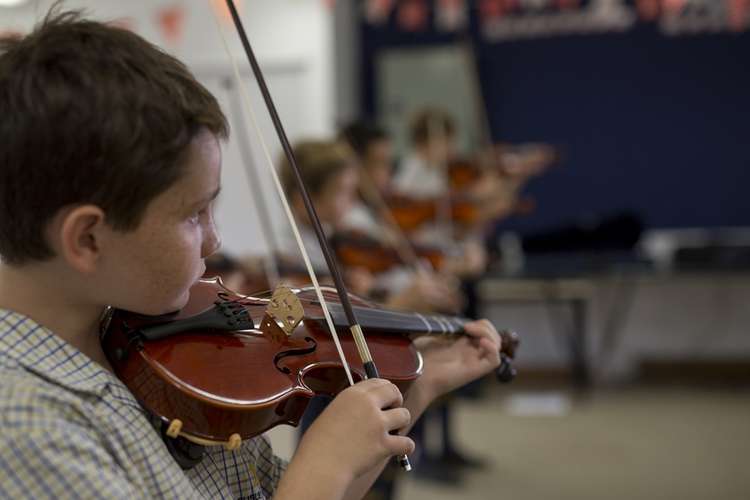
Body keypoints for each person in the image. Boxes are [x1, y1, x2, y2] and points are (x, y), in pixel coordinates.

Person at [0, 9, 504, 500]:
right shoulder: (25, 429)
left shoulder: (156, 343)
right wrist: (324, 462)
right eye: (194, 214)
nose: (215, 241)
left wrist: (417, 387)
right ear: (88, 240)